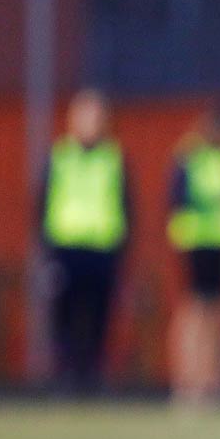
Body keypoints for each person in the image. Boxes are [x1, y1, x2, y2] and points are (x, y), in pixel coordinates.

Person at [37, 89, 131, 392]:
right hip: (66, 248)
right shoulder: (60, 156)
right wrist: (46, 252)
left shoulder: (113, 158)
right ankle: (64, 379)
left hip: (102, 249)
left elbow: (126, 206)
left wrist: (122, 250)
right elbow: (42, 205)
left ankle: (92, 379)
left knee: (98, 318)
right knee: (63, 318)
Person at [167, 101, 220, 406]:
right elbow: (179, 200)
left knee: (217, 313)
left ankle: (211, 380)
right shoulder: (189, 157)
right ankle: (187, 380)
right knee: (194, 311)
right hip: (196, 242)